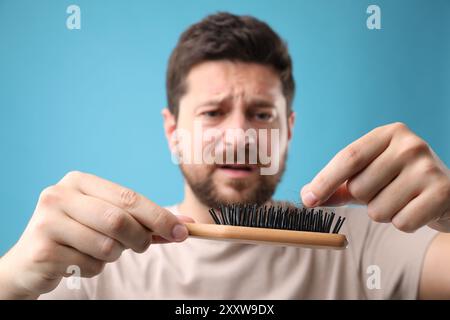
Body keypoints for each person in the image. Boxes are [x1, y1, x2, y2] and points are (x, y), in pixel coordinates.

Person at [0, 12, 449, 300]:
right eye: (213, 113)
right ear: (173, 131)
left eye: (261, 113)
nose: (239, 136)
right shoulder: (95, 264)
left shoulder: (364, 243)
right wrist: (11, 280)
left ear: (287, 130)